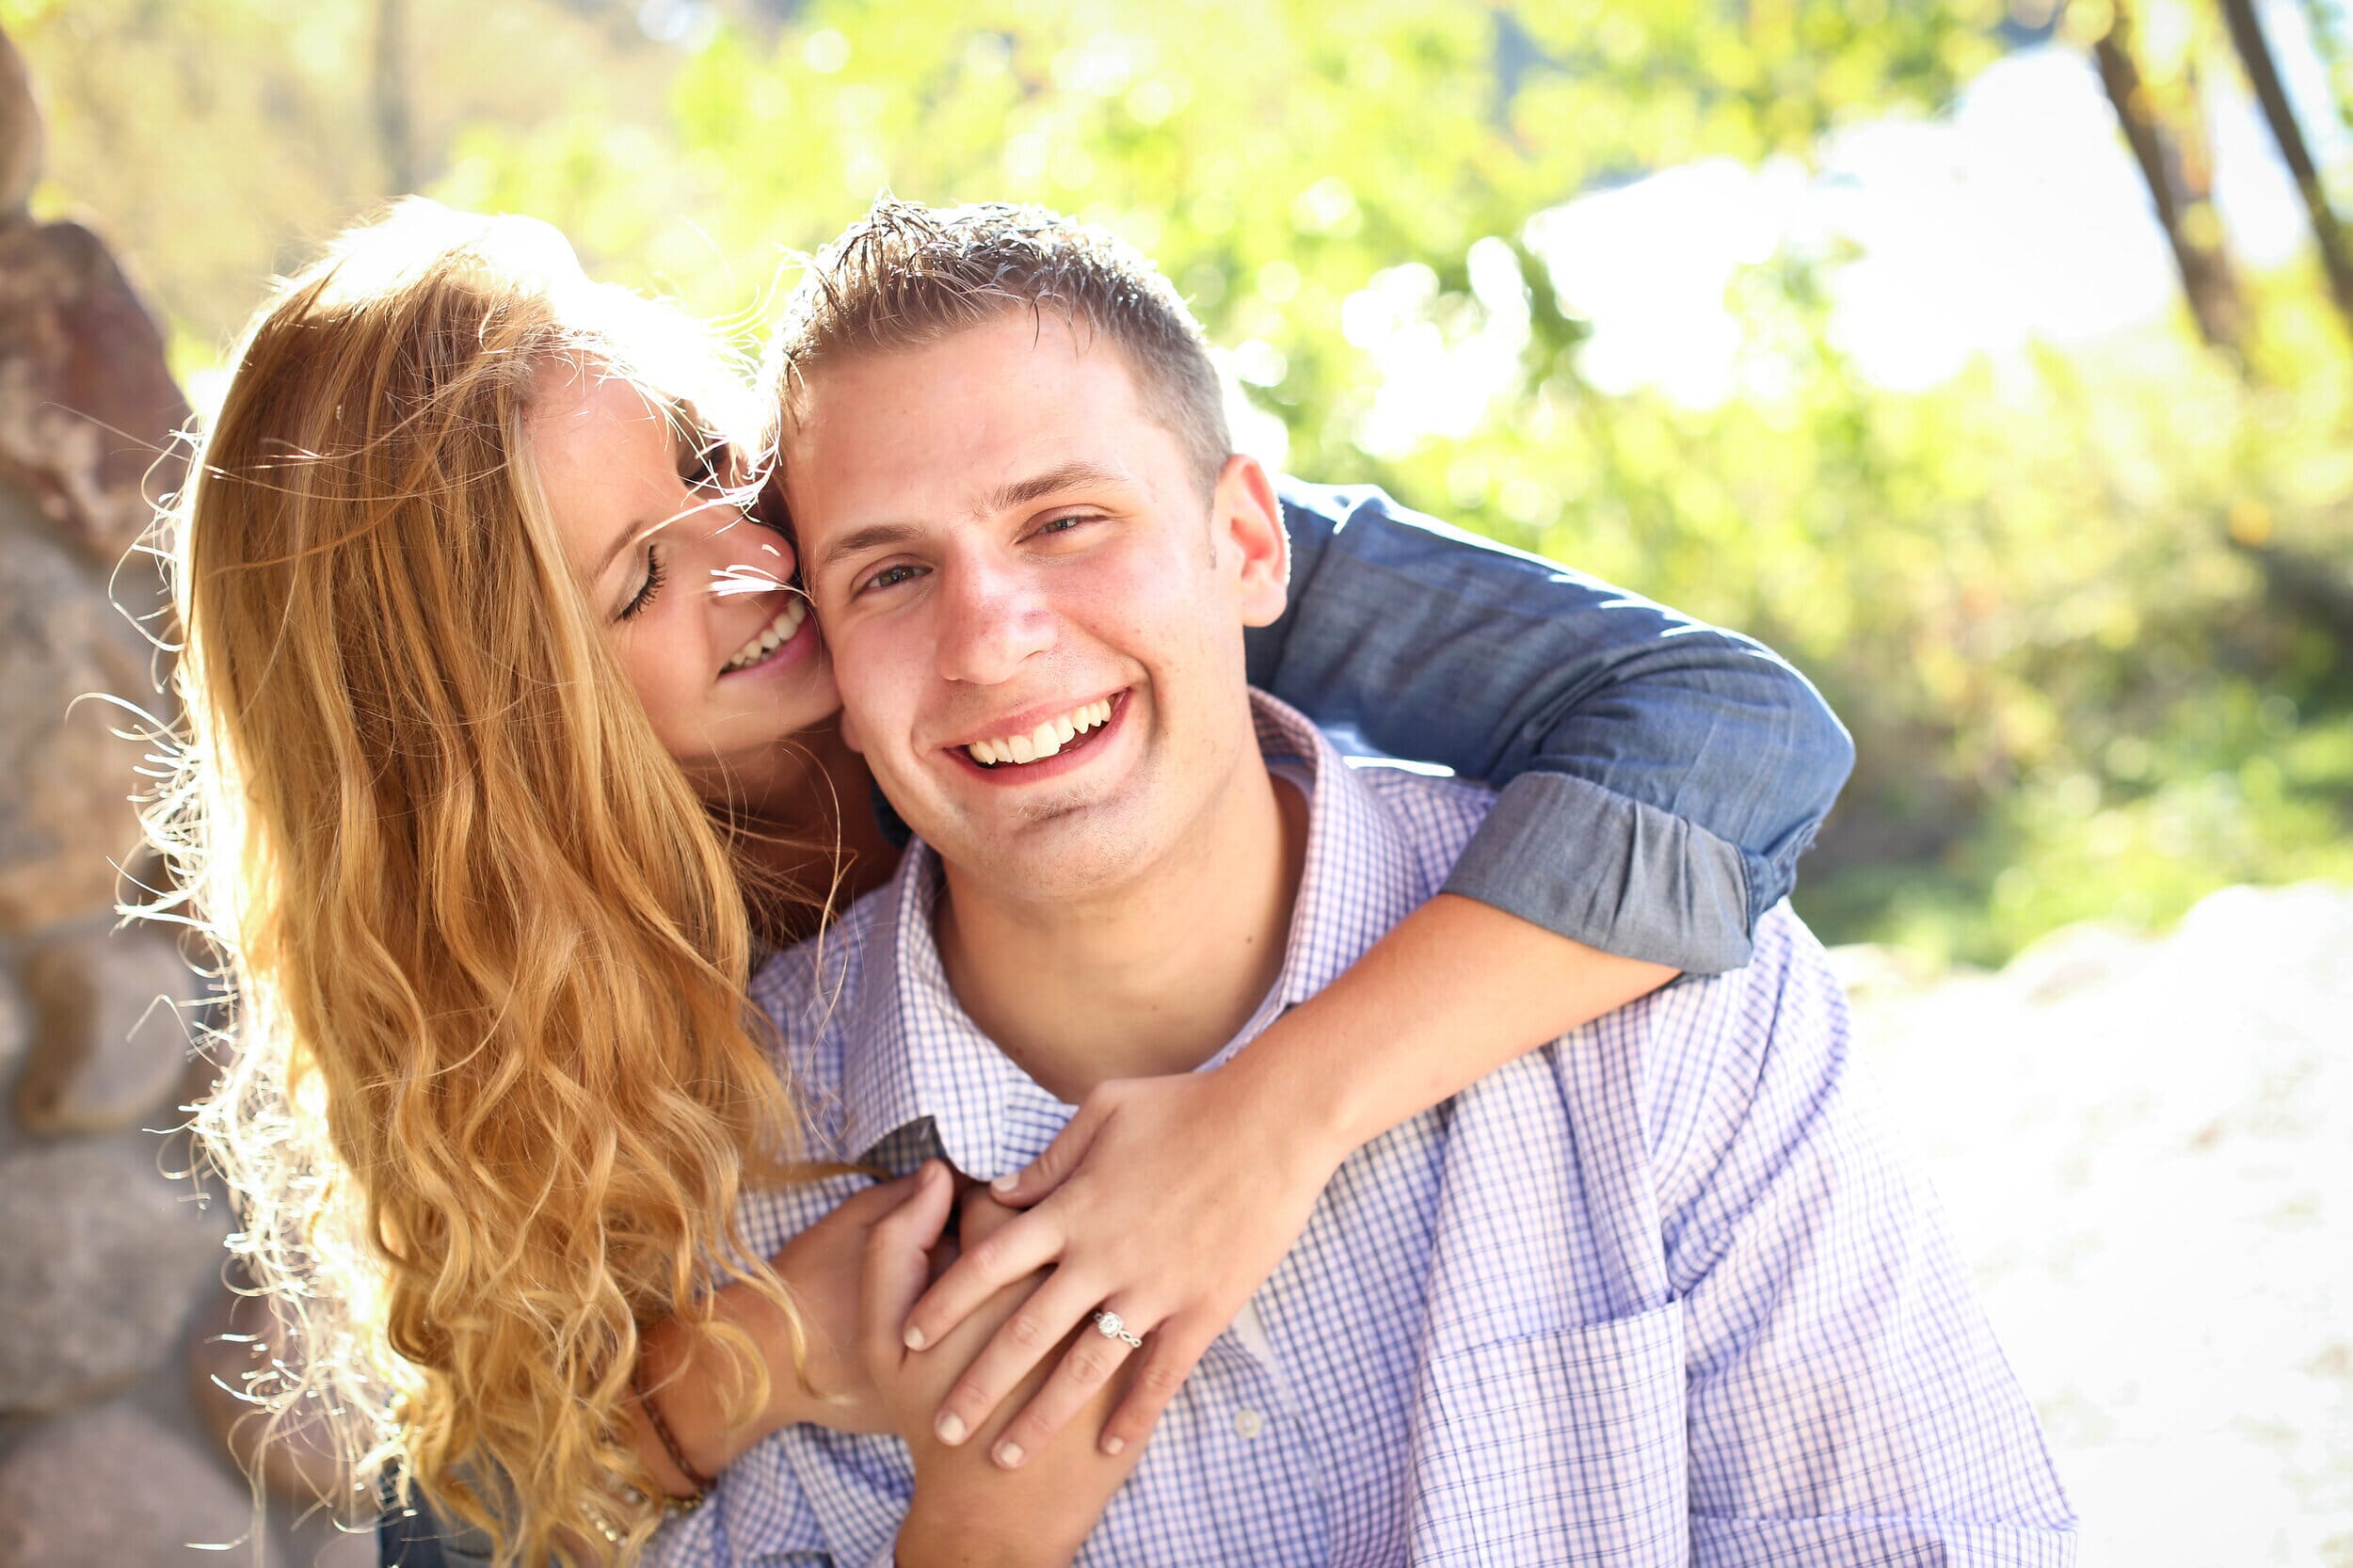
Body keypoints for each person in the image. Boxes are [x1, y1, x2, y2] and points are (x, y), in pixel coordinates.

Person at [157, 197, 1852, 1567]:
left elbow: (1727, 733)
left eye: (699, 456)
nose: (761, 561)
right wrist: (762, 1358)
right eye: (631, 587)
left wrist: (1271, 1120)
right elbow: (460, 1521)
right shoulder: (517, 1002)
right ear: (485, 740)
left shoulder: (1025, 559)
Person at [641, 197, 2079, 1566]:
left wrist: (1278, 1112)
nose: (992, 638)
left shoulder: (1656, 990)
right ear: (815, 638)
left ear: (1250, 542)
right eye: (890, 574)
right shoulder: (751, 1192)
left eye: (1067, 521)